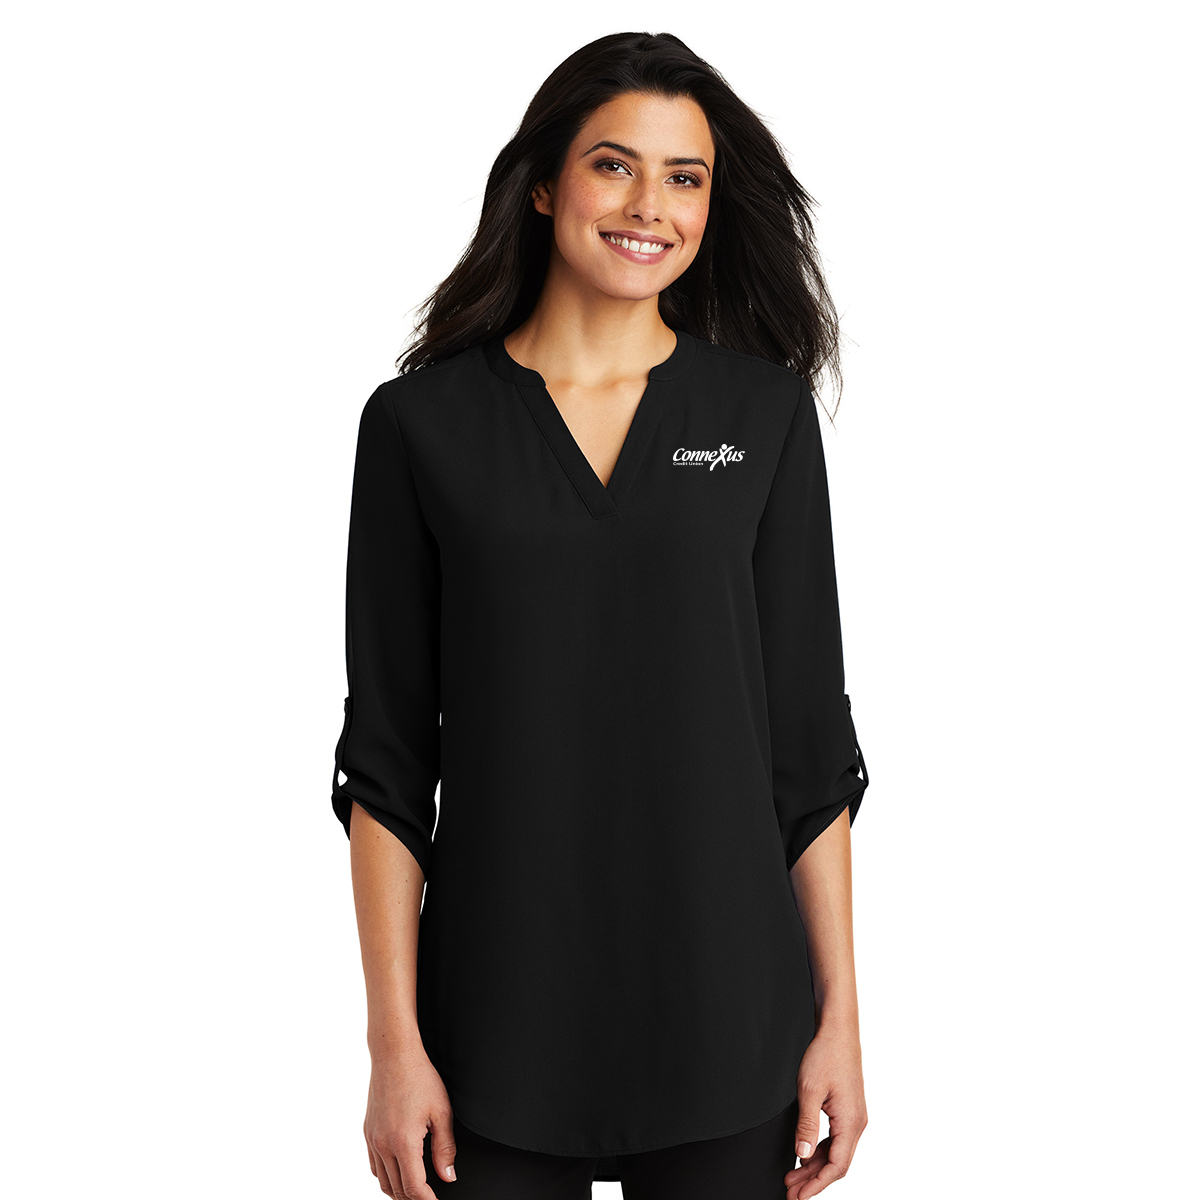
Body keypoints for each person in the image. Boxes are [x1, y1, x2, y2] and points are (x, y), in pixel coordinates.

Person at [331, 30, 871, 1200]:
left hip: (730, 1022)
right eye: (614, 165)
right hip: (492, 1034)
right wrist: (392, 1046)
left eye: (685, 177)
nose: (650, 207)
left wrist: (842, 1018)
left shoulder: (764, 419)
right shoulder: (421, 428)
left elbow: (809, 747)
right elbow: (385, 764)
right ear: (543, 184)